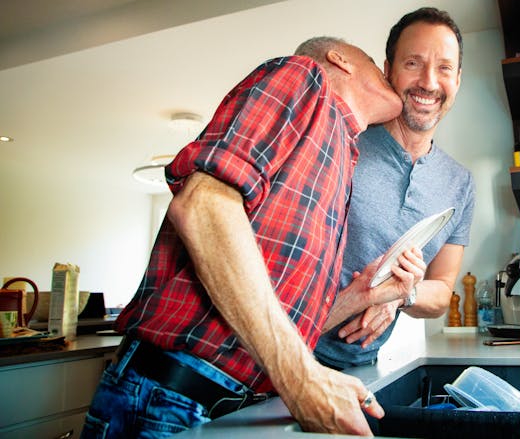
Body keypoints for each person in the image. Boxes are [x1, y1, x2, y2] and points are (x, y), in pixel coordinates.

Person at [81, 36, 427, 438]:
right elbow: (202, 208)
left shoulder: (345, 151)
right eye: (372, 61)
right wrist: (304, 381)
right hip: (171, 399)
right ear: (340, 60)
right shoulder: (306, 78)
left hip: (232, 405)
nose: (388, 76)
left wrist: (364, 293)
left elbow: (283, 318)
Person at [314, 7, 476, 369]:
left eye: (444, 68)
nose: (430, 82)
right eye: (414, 63)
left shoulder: (460, 184)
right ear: (388, 70)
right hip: (276, 361)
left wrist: (401, 296)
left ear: (458, 80)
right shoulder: (343, 138)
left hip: (361, 369)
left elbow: (442, 288)